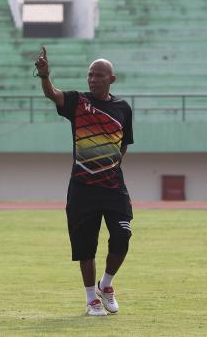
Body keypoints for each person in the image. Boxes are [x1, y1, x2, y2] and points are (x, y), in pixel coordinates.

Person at [34, 47, 134, 316]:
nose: (93, 79)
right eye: (90, 75)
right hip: (81, 188)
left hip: (113, 187)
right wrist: (45, 76)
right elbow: (52, 94)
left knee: (122, 236)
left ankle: (106, 284)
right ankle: (91, 299)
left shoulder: (123, 108)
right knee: (85, 246)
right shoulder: (78, 102)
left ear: (111, 78)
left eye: (99, 75)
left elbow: (123, 145)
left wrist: (109, 165)